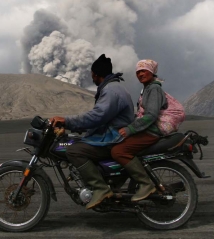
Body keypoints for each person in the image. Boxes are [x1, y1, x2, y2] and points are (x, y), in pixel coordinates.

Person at [51, 54, 134, 209]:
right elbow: (99, 119)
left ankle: (100, 189)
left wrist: (66, 120)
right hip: (112, 135)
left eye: (92, 75)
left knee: (74, 151)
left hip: (113, 138)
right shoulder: (113, 88)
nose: (92, 78)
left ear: (96, 74)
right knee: (78, 142)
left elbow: (97, 116)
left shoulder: (111, 91)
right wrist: (73, 127)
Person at [110, 59, 167, 202]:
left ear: (152, 72)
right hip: (147, 130)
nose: (140, 74)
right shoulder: (147, 88)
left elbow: (152, 115)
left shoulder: (154, 89)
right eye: (138, 72)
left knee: (118, 151)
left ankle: (145, 184)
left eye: (144, 70)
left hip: (151, 132)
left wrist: (130, 129)